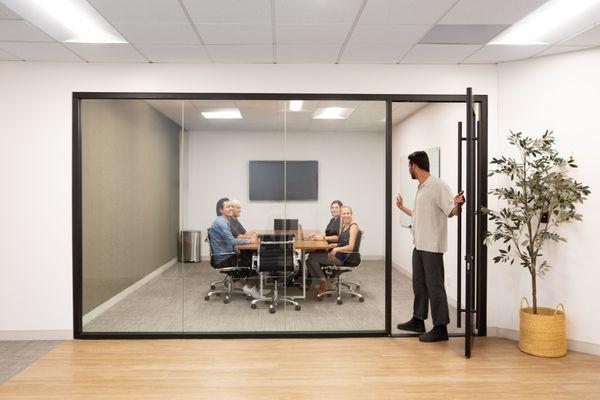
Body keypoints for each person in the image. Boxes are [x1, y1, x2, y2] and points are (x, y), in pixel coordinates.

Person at [395, 151, 464, 342]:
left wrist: (458, 204)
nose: (408, 168)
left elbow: (451, 211)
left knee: (435, 286)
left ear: (415, 165)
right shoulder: (421, 187)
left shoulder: (437, 185)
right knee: (419, 285)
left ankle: (441, 328)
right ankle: (418, 320)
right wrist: (402, 209)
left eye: (409, 165)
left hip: (432, 246)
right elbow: (419, 215)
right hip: (419, 244)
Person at [209, 200, 265, 299]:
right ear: (221, 210)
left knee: (253, 256)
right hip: (224, 258)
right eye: (228, 207)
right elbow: (231, 241)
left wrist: (249, 238)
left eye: (231, 206)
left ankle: (254, 286)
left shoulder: (225, 221)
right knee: (255, 260)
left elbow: (236, 237)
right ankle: (250, 287)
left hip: (227, 254)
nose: (231, 208)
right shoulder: (221, 223)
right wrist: (250, 241)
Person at [306, 206, 359, 298]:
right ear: (341, 215)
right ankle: (318, 285)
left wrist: (336, 249)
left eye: (348, 213)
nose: (346, 215)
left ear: (351, 214)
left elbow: (351, 247)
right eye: (344, 214)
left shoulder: (353, 227)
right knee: (309, 259)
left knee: (312, 257)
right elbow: (342, 242)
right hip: (340, 254)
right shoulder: (344, 227)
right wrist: (333, 245)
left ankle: (324, 282)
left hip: (345, 257)